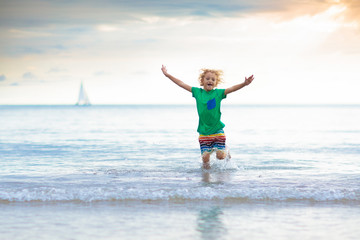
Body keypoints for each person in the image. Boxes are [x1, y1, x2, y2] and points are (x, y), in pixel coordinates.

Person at [161, 65, 254, 169]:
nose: (210, 81)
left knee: (220, 157)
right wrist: (167, 75)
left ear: (216, 83)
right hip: (204, 132)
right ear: (202, 81)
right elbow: (181, 84)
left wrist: (245, 84)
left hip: (217, 130)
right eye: (208, 78)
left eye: (213, 79)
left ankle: (226, 151)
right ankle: (206, 181)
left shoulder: (218, 93)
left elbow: (232, 89)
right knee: (205, 160)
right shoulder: (197, 92)